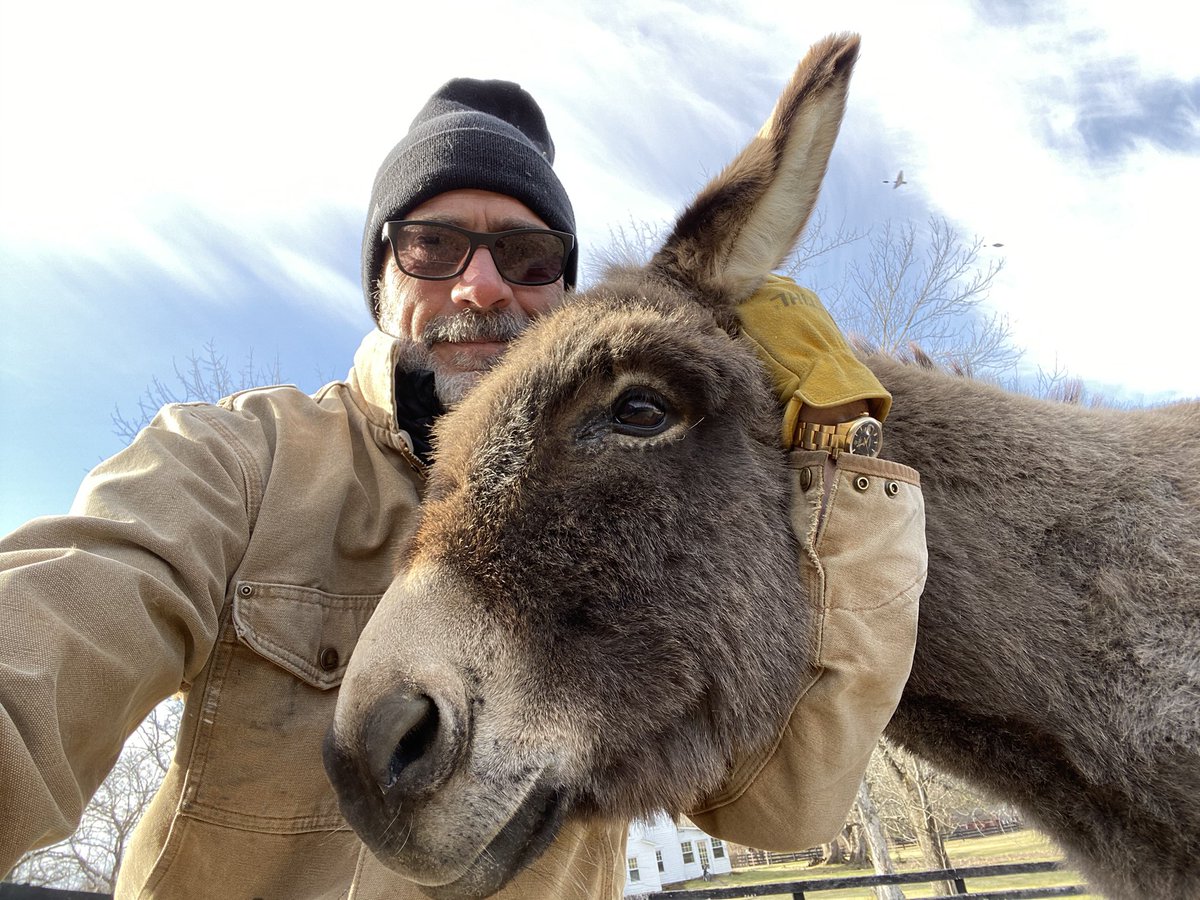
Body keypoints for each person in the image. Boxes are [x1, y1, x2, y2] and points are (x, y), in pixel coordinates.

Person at [0, 78, 924, 898]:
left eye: (526, 257)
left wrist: (842, 460)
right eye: (433, 246)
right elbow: (53, 636)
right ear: (381, 283)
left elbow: (780, 806)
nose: (482, 288)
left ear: (564, 292)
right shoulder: (236, 459)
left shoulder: (659, 495)